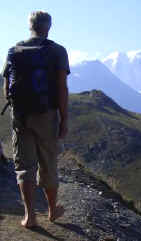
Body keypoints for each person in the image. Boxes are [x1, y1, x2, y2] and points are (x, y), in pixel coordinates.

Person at [1, 11, 70, 228]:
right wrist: (64, 119)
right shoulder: (57, 51)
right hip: (46, 115)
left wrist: (19, 108)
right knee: (48, 164)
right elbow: (61, 88)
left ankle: (30, 216)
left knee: (24, 166)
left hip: (20, 115)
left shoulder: (14, 50)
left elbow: (6, 89)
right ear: (48, 27)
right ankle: (52, 211)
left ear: (29, 26)